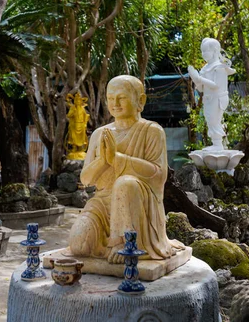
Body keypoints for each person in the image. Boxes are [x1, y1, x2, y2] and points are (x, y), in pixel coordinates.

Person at [67, 75, 185, 264]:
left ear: (141, 100)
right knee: (79, 245)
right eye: (110, 98)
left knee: (125, 183)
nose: (115, 103)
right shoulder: (100, 134)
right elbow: (87, 179)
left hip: (138, 205)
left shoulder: (151, 131)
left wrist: (118, 159)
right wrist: (104, 161)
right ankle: (105, 247)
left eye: (121, 98)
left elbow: (159, 174)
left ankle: (125, 242)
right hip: (103, 205)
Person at [188, 38, 236, 151]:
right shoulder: (205, 68)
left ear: (214, 51)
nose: (203, 54)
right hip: (208, 99)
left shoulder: (220, 67)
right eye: (202, 51)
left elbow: (216, 85)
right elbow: (201, 88)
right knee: (210, 120)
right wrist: (196, 80)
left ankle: (218, 144)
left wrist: (199, 78)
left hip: (218, 98)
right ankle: (215, 144)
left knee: (214, 120)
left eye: (206, 51)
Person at [65, 92, 90, 160]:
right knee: (73, 137)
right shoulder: (73, 108)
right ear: (75, 101)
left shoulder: (82, 109)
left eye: (79, 101)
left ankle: (80, 148)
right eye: (76, 101)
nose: (78, 102)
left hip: (81, 125)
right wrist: (72, 113)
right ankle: (74, 148)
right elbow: (68, 115)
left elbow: (85, 116)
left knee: (81, 138)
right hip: (74, 125)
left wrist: (85, 123)